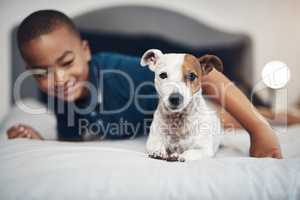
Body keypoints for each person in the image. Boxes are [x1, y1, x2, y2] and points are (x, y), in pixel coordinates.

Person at [7, 9, 282, 158]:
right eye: (41, 73)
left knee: (227, 117)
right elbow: (73, 140)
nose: (58, 80)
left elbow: (204, 76)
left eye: (67, 63)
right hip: (163, 124)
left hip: (186, 104)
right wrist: (40, 140)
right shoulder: (60, 97)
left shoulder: (118, 71)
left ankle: (275, 115)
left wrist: (258, 129)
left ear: (86, 51)